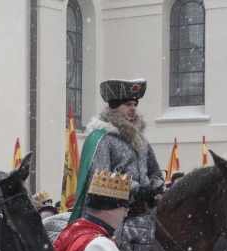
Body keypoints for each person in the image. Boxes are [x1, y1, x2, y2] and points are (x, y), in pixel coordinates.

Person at [70, 78, 164, 222]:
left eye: (134, 104)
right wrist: (137, 189)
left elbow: (154, 172)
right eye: (127, 104)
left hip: (144, 209)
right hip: (113, 214)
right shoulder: (103, 139)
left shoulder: (140, 138)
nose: (133, 108)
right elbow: (101, 179)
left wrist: (156, 189)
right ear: (114, 108)